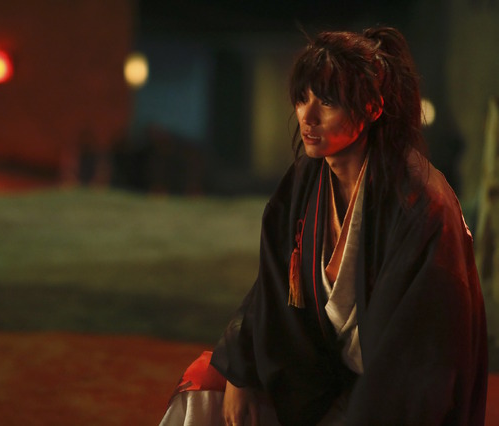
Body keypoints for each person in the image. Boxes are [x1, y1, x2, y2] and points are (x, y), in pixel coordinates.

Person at [160, 26, 488, 425]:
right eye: (302, 99)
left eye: (327, 102)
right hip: (323, 377)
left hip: (392, 400)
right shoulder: (306, 178)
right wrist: (242, 373)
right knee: (202, 390)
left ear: (372, 108)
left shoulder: (420, 206)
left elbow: (418, 361)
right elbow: (271, 286)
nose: (307, 117)